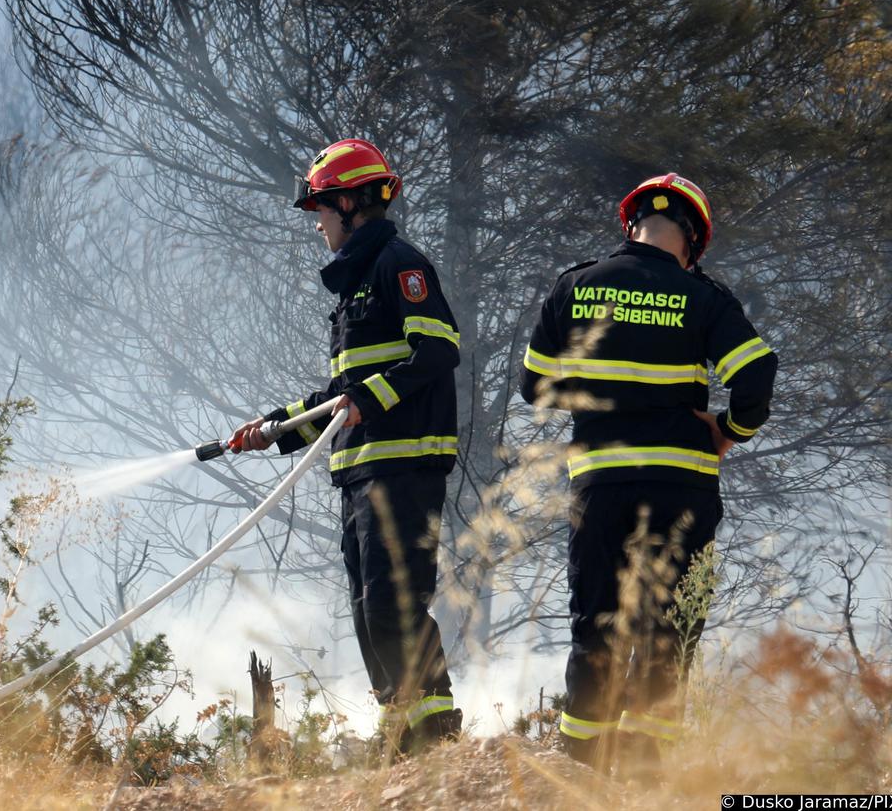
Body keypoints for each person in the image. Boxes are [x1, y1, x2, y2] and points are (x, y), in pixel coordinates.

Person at [519, 173, 778, 774]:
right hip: (681, 488)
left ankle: (581, 772)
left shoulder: (574, 286)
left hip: (600, 489)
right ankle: (645, 776)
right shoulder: (704, 297)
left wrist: (606, 395)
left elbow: (534, 386)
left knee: (596, 628)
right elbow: (757, 375)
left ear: (631, 224)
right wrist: (727, 431)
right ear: (692, 238)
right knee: (669, 631)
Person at [230, 138, 462, 753]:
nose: (319, 226)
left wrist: (369, 399)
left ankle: (436, 734)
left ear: (354, 203)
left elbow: (439, 350)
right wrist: (273, 428)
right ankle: (402, 727)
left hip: (404, 465)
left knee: (393, 601)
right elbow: (342, 395)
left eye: (322, 211)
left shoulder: (399, 265)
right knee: (367, 608)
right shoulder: (356, 289)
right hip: (362, 472)